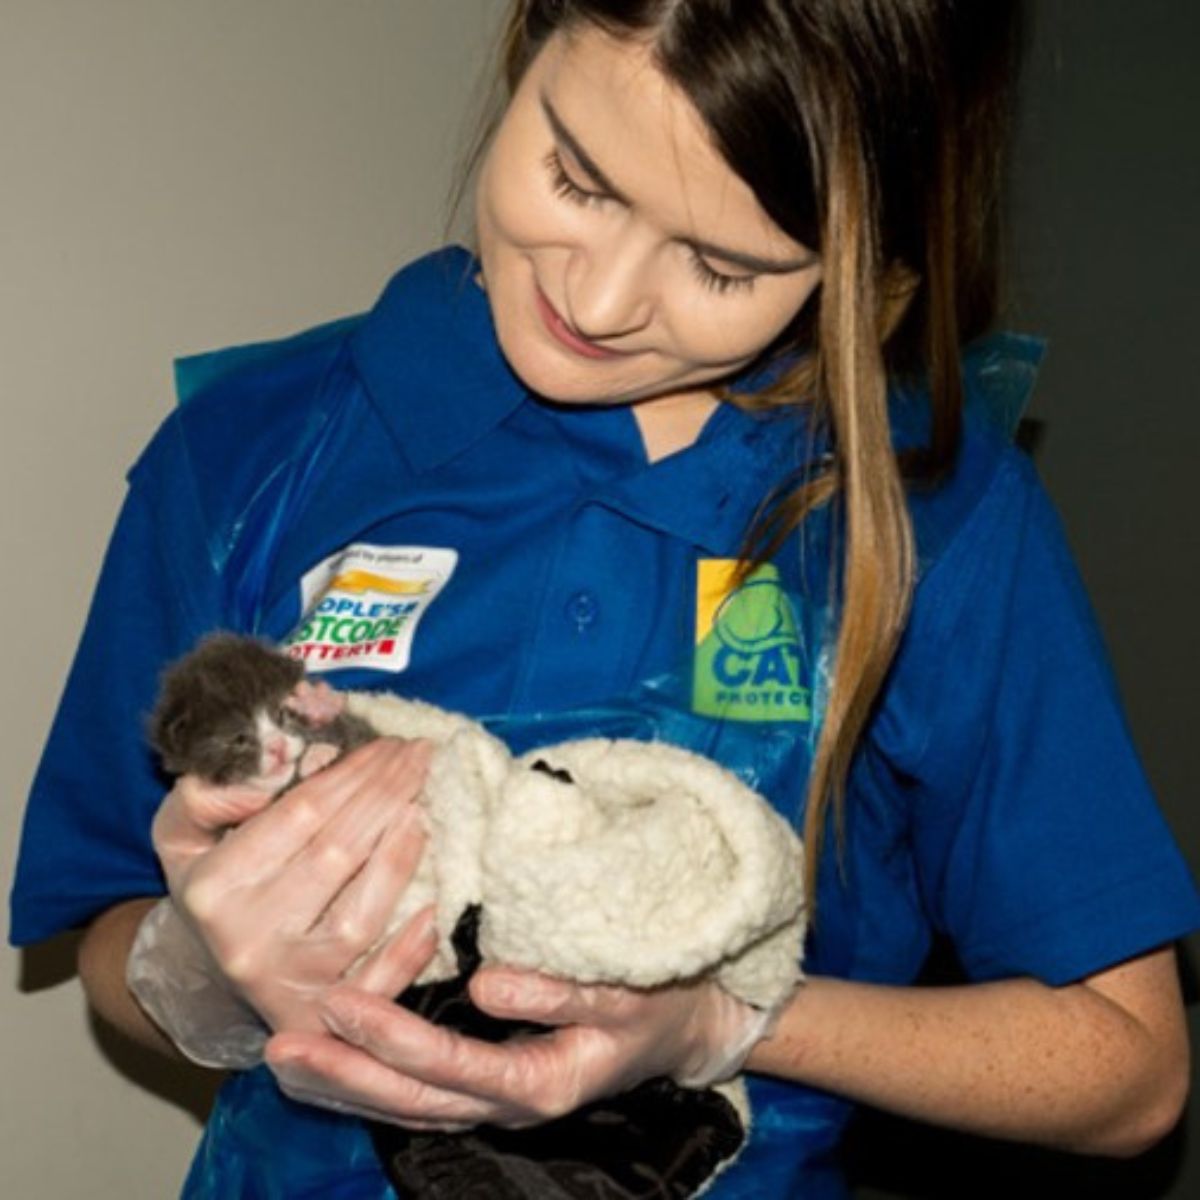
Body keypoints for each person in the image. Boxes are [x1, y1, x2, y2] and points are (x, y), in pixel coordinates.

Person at [10, 1, 1199, 1196]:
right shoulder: (241, 456)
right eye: (579, 180)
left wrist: (727, 1024)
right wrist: (198, 975)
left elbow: (1129, 1069)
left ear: (857, 254)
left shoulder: (936, 517)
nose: (603, 300)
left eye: (725, 266)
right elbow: (107, 929)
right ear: (528, 44)